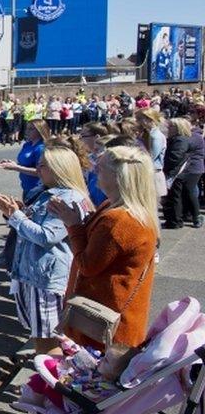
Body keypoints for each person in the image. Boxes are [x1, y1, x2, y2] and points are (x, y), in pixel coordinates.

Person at [49, 146, 159, 350]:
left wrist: (73, 225)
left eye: (100, 168)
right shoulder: (115, 208)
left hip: (104, 324)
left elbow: (87, 265)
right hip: (105, 317)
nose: (94, 171)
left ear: (119, 176)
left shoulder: (119, 220)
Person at [0, 145, 91, 354]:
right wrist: (16, 212)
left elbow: (46, 236)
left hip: (45, 280)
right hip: (33, 275)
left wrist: (15, 216)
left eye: (42, 165)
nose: (37, 170)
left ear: (59, 168)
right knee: (41, 338)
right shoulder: (47, 193)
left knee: (48, 343)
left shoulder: (67, 198)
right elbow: (32, 228)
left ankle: (50, 384)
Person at [162, 118, 204, 228]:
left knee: (188, 193)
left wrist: (165, 166)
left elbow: (175, 156)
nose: (168, 128)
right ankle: (187, 216)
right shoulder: (180, 138)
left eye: (171, 126)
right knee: (184, 194)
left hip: (191, 169)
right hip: (187, 169)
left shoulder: (182, 139)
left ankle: (195, 217)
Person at [0, 119, 50, 201]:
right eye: (27, 128)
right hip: (26, 186)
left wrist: (16, 167)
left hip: (37, 187)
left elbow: (41, 172)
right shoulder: (27, 145)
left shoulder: (41, 148)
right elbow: (24, 163)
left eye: (31, 129)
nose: (27, 131)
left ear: (40, 131)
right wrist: (12, 164)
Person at [135, 108, 168, 199]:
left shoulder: (155, 136)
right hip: (146, 173)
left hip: (153, 174)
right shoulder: (146, 134)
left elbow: (151, 157)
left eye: (139, 119)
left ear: (149, 119)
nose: (137, 122)